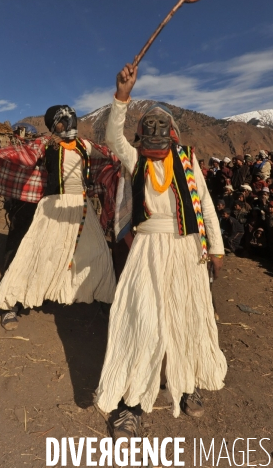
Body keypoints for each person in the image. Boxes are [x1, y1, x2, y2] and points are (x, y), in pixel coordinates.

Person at [95, 63, 226, 439]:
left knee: (185, 317)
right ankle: (132, 404)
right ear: (140, 135)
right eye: (147, 129)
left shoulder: (187, 162)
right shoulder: (134, 160)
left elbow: (204, 204)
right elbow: (113, 137)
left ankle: (184, 385)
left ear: (172, 134)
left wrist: (215, 249)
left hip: (186, 250)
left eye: (161, 129)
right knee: (144, 320)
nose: (154, 134)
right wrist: (122, 95)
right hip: (148, 250)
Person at [0, 104, 117, 328]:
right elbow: (23, 158)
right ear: (55, 124)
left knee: (98, 254)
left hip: (81, 207)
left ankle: (108, 303)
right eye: (64, 120)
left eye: (72, 119)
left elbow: (110, 158)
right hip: (52, 207)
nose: (70, 124)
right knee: (35, 254)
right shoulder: (45, 144)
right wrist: (44, 145)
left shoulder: (85, 145)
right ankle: (11, 304)